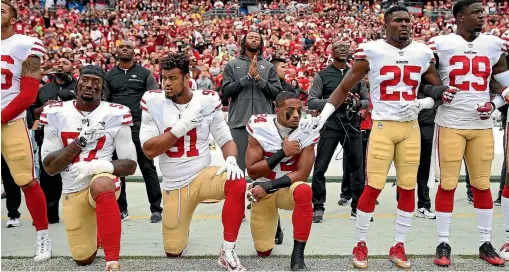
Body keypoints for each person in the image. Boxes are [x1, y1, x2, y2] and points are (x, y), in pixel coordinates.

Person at [303, 6, 457, 269]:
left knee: (408, 187)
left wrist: (423, 104)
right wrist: (324, 117)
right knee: (372, 186)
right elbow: (343, 88)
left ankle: (399, 244)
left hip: (410, 128)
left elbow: (437, 90)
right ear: (386, 24)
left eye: (408, 20)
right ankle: (360, 243)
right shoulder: (371, 51)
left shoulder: (421, 52)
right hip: (384, 127)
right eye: (398, 20)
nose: (405, 24)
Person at [139, 53, 247, 271]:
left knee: (237, 180)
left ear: (187, 78)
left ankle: (227, 250)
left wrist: (232, 159)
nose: (166, 83)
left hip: (202, 175)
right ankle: (182, 225)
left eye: (172, 78)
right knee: (173, 250)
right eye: (164, 78)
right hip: (174, 185)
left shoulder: (206, 100)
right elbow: (149, 150)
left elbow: (226, 139)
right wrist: (182, 127)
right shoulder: (153, 101)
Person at [427, 0, 509, 266]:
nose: (481, 16)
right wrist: (439, 92)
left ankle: (485, 242)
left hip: (481, 125)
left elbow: (506, 84)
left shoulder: (493, 44)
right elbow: (422, 81)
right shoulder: (440, 44)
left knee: (482, 184)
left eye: (482, 12)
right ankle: (443, 242)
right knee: (447, 184)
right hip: (450, 122)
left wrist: (494, 103)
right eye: (475, 13)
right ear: (460, 17)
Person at [40, 65, 138, 271]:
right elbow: (49, 167)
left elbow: (129, 165)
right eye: (85, 80)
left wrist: (95, 166)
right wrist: (80, 142)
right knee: (82, 258)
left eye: (96, 82)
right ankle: (97, 231)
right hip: (72, 187)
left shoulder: (115, 113)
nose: (90, 85)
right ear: (76, 85)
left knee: (102, 183)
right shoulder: (56, 112)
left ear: (102, 90)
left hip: (102, 179)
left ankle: (112, 261)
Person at [1, 2, 52, 262]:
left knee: (26, 179)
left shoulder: (24, 44)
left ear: (14, 18)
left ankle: (43, 235)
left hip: (9, 122)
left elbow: (29, 93)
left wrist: (1, 116)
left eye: (1, 9)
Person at [245, 91, 318, 271]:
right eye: (290, 110)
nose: (296, 115)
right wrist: (282, 153)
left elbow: (303, 173)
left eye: (299, 111)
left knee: (304, 190)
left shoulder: (307, 129)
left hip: (285, 187)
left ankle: (298, 254)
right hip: (262, 187)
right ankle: (274, 223)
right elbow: (253, 171)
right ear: (277, 110)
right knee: (263, 251)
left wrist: (269, 186)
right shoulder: (260, 126)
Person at [307, 40, 369, 222]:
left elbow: (366, 101)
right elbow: (311, 101)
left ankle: (357, 207)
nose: (343, 50)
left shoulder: (356, 73)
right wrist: (334, 102)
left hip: (352, 125)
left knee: (358, 168)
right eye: (339, 48)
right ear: (331, 52)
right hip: (331, 125)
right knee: (320, 167)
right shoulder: (322, 75)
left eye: (346, 48)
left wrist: (356, 103)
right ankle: (318, 207)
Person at [105, 40, 162, 223]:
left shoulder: (145, 74)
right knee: (118, 168)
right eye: (121, 46)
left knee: (147, 167)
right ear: (116, 51)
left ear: (134, 52)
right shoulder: (109, 75)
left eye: (128, 47)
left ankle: (156, 209)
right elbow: (105, 100)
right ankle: (122, 210)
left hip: (138, 125)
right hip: (116, 127)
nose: (124, 49)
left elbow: (154, 100)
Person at [221, 31, 282, 172]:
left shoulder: (268, 66)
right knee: (237, 167)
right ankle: (238, 194)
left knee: (265, 168)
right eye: (251, 37)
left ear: (261, 43)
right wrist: (247, 78)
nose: (254, 40)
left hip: (264, 124)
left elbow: (277, 94)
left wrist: (259, 80)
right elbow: (226, 91)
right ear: (244, 42)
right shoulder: (232, 65)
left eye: (257, 38)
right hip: (239, 122)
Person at [33, 57, 77, 224]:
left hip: (73, 140)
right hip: (49, 140)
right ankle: (50, 215)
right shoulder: (43, 90)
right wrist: (43, 109)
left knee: (74, 178)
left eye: (65, 63)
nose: (60, 64)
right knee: (48, 179)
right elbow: (34, 113)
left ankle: (76, 215)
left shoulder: (79, 87)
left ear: (72, 68)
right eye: (58, 62)